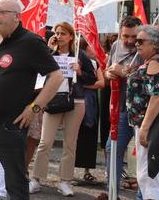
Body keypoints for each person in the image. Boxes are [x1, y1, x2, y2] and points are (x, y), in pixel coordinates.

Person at [0, 0, 63, 200]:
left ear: (17, 17)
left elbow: (56, 77)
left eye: (1, 12)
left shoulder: (30, 42)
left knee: (16, 186)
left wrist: (35, 108)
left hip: (11, 127)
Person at [30, 22, 97, 196]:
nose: (59, 36)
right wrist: (49, 50)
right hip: (52, 102)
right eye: (57, 33)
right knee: (45, 142)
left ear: (71, 36)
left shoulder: (79, 56)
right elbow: (37, 73)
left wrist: (80, 72)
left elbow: (92, 79)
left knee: (70, 144)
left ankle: (65, 181)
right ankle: (36, 179)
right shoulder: (48, 54)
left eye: (63, 33)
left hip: (75, 102)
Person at [126, 25, 159, 200]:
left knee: (148, 177)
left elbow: (157, 97)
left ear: (155, 45)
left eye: (141, 41)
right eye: (136, 41)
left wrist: (144, 128)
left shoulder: (155, 63)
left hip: (154, 127)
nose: (137, 44)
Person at [99, 16, 143, 200]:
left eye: (134, 36)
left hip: (143, 111)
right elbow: (108, 71)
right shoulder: (117, 45)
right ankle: (112, 193)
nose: (130, 41)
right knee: (112, 148)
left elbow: (148, 75)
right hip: (123, 109)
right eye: (126, 36)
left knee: (143, 156)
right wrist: (109, 73)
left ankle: (144, 195)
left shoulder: (146, 45)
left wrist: (123, 72)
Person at [74, 38, 105, 184]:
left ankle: (87, 171)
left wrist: (85, 85)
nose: (96, 50)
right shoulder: (74, 61)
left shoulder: (94, 63)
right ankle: (69, 171)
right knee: (74, 137)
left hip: (91, 104)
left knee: (89, 136)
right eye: (92, 46)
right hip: (75, 103)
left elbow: (101, 82)